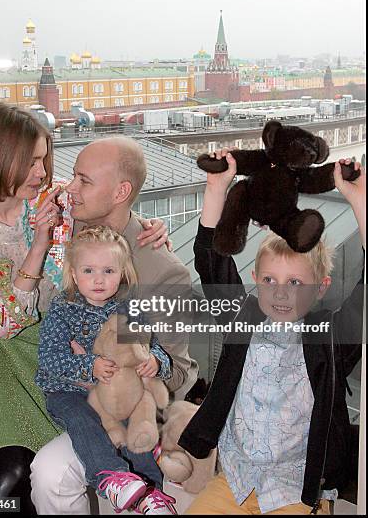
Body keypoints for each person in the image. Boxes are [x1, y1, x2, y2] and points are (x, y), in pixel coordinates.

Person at [0, 103, 169, 515]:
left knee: (34, 470)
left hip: (53, 346)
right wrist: (37, 246)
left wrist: (147, 229)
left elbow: (110, 207)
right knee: (11, 469)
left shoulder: (52, 200)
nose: (43, 172)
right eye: (32, 162)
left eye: (43, 160)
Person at [177, 148, 365, 515]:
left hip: (296, 491)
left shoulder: (328, 336)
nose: (281, 293)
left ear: (322, 286)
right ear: (255, 281)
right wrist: (217, 188)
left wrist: (358, 199)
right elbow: (211, 260)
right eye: (270, 280)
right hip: (234, 481)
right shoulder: (242, 319)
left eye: (295, 281)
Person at [30, 136, 199, 515]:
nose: (70, 188)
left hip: (120, 403)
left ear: (122, 191)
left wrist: (127, 368)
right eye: (73, 176)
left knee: (50, 473)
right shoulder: (61, 232)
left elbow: (180, 370)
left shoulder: (162, 271)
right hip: (54, 383)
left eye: (83, 181)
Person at [36, 226, 177, 515]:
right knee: (82, 420)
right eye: (89, 271)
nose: (98, 280)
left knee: (135, 430)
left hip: (120, 393)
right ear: (74, 274)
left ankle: (151, 493)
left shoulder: (129, 309)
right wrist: (90, 366)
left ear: (122, 274)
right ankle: (110, 476)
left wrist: (156, 361)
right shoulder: (63, 309)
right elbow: (50, 357)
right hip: (69, 391)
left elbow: (152, 346)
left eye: (108, 271)